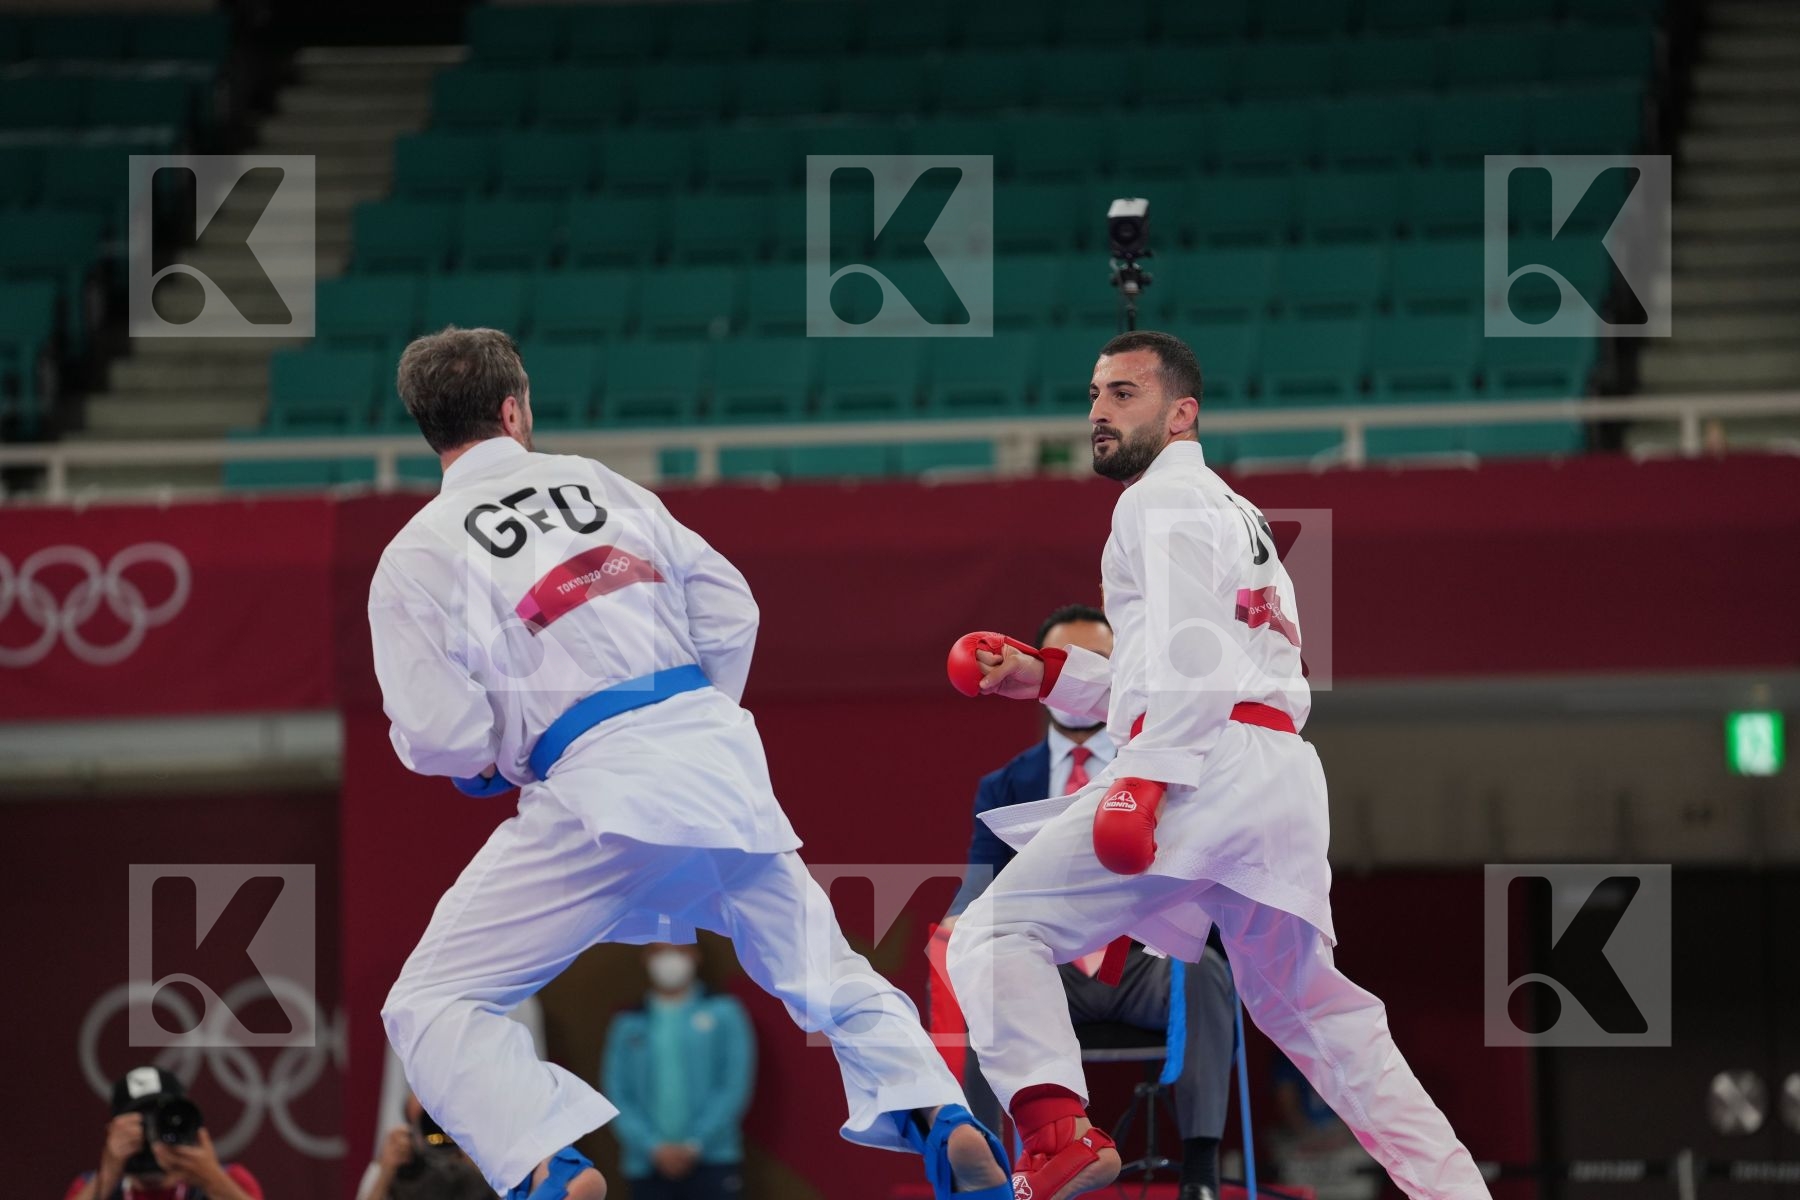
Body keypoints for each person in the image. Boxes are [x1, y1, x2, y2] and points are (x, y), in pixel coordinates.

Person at [369, 327, 1011, 1200]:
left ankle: (548, 1168)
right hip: (714, 761)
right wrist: (691, 712)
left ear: (426, 427)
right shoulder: (601, 483)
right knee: (824, 971)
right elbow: (729, 606)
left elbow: (438, 731)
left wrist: (490, 757)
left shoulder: (416, 550)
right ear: (514, 407)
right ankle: (945, 1114)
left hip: (595, 788)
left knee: (432, 1004)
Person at [944, 330, 1490, 1200]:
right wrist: (1044, 675)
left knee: (994, 931)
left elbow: (1191, 659)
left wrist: (1146, 778)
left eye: (1124, 394)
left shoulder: (1154, 504)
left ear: (1182, 411)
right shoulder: (1236, 512)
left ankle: (1055, 1135)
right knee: (1320, 1018)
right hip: (1275, 771)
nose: (1098, 411)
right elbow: (1175, 661)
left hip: (1205, 764)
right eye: (1093, 395)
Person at [936, 603, 1238, 1200]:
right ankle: (987, 1161)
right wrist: (957, 922)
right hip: (1049, 971)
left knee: (1207, 970)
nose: (1079, 672)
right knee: (971, 958)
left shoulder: (1166, 765)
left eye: (1097, 661)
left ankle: (1201, 1169)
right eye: (1066, 659)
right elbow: (978, 882)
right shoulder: (1005, 784)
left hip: (1151, 967)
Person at [602, 943, 754, 1200]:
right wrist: (651, 1145)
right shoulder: (629, 1023)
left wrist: (696, 1143)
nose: (669, 959)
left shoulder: (725, 1013)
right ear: (646, 956)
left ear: (695, 954)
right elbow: (616, 1092)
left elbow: (734, 1084)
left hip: (713, 1158)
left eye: (679, 949)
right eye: (659, 950)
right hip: (646, 1164)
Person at [64, 1066, 263, 1200]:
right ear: (114, 1131)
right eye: (139, 1121)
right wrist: (107, 1177)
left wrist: (212, 1180)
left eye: (162, 1120)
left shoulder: (228, 1180)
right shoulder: (91, 1187)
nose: (151, 1133)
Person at [363, 1093, 493, 1200]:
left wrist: (480, 1163)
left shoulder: (478, 1157)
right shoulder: (397, 1164)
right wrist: (386, 1172)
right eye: (427, 1120)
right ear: (411, 1126)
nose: (436, 1128)